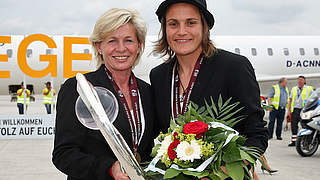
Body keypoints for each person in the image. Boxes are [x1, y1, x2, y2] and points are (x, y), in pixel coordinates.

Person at [150, 0, 268, 156]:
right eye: (173, 24)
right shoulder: (159, 76)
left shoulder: (233, 67)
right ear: (165, 30)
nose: (181, 31)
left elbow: (257, 135)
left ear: (205, 27)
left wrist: (223, 172)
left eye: (191, 23)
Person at [52, 8, 155, 180]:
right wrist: (109, 168)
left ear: (139, 46)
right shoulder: (79, 89)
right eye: (112, 41)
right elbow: (63, 154)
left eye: (128, 40)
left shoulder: (146, 92)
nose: (121, 49)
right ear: (99, 46)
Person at [288, 76, 313, 146]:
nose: (299, 81)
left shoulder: (309, 89)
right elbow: (290, 100)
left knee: (306, 126)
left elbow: (314, 98)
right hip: (295, 110)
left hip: (305, 110)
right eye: (298, 80)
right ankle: (294, 141)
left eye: (301, 80)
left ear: (304, 81)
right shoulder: (294, 89)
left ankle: (307, 141)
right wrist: (289, 111)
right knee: (294, 126)